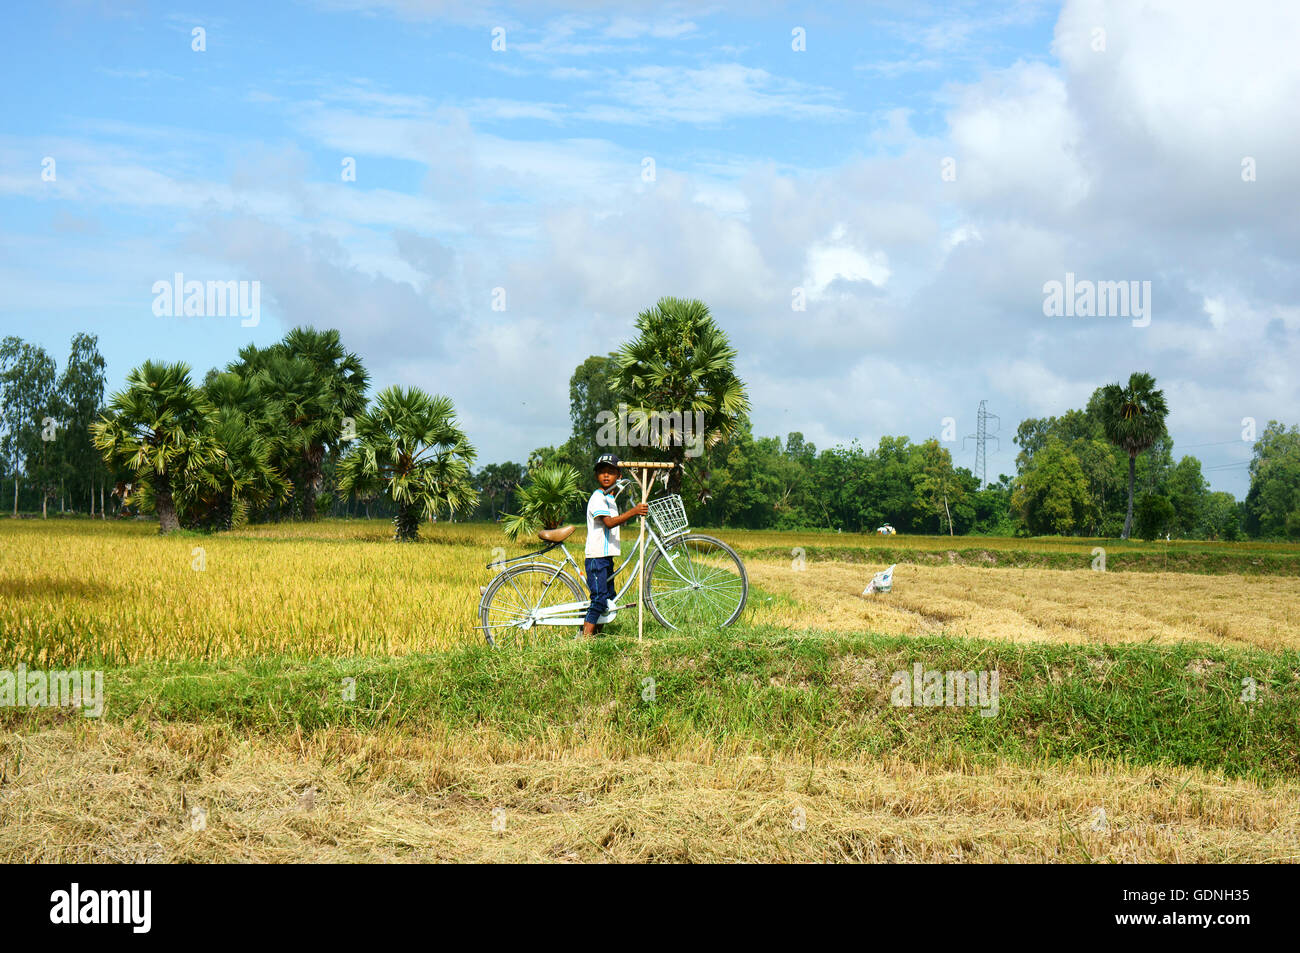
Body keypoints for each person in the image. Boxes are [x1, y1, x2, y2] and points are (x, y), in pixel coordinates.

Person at [583, 453, 647, 636]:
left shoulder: (610, 498)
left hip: (606, 557)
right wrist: (633, 512)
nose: (605, 475)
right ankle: (584, 639)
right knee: (599, 599)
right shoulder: (598, 498)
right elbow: (609, 522)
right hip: (596, 557)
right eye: (602, 472)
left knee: (608, 598)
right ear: (597, 476)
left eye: (610, 472)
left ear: (618, 476)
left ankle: (597, 635)